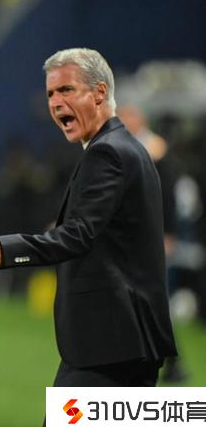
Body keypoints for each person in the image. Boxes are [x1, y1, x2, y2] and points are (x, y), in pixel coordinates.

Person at [0, 48, 177, 389]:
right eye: (50, 94)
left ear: (100, 92)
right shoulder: (124, 147)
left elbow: (78, 235)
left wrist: (8, 250)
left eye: (66, 90)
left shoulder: (108, 152)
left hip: (111, 346)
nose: (56, 102)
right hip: (121, 344)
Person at [118, 104, 186, 383]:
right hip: (132, 236)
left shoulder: (155, 149)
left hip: (153, 235)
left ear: (140, 119)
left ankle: (172, 361)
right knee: (141, 299)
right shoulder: (125, 146)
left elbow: (167, 195)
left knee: (153, 300)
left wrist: (168, 233)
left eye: (129, 116)